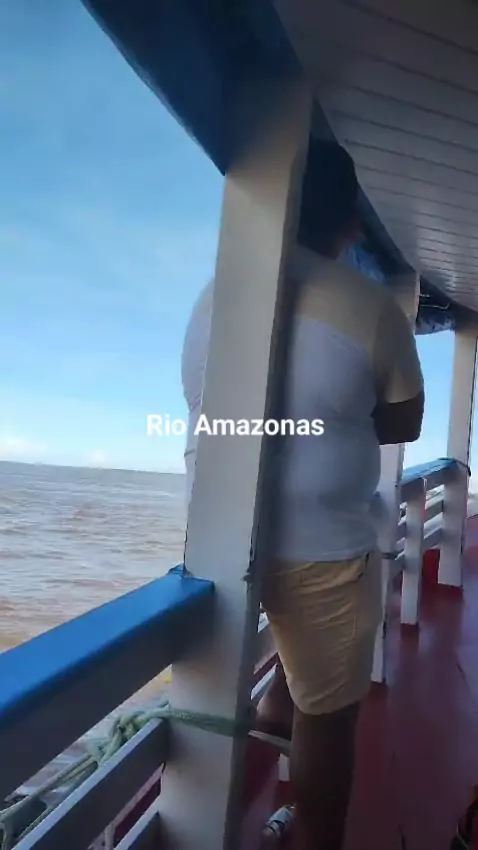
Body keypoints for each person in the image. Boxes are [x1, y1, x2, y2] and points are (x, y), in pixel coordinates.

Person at [181, 139, 424, 850]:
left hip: (217, 539)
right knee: (329, 715)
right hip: (324, 549)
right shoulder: (368, 305)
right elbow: (402, 422)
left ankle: (227, 810)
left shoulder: (215, 293)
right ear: (348, 221)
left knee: (275, 686)